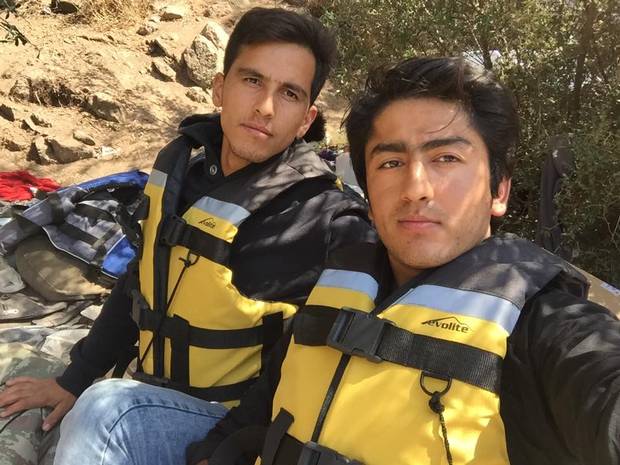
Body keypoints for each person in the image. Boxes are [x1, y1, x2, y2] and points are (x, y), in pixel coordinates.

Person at [189, 57, 620, 465]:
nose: (415, 188)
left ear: (499, 190)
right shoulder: (336, 284)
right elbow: (255, 414)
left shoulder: (544, 324)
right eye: (391, 162)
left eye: (446, 158)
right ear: (368, 196)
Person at [0, 7, 375, 465]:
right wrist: (74, 378)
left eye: (289, 93)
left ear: (305, 119)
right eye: (252, 80)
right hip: (153, 393)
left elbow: (331, 369)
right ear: (220, 88)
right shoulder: (184, 173)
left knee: (107, 411)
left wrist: (226, 449)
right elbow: (141, 281)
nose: (265, 107)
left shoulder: (329, 218)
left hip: (236, 428)